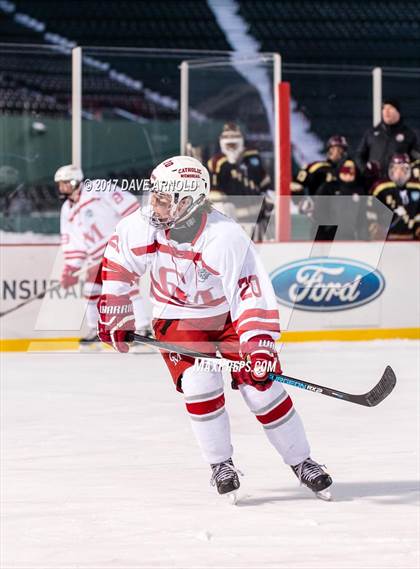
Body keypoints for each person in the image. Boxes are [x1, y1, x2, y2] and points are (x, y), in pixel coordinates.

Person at [97, 155, 333, 501]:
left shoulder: (224, 237)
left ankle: (302, 461)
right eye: (156, 195)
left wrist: (260, 344)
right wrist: (116, 310)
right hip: (177, 317)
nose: (155, 205)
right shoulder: (143, 226)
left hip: (227, 318)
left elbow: (249, 293)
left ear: (189, 201)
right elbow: (119, 262)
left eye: (165, 198)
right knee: (198, 382)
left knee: (261, 388)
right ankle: (220, 464)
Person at [54, 164, 151, 346]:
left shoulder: (97, 188)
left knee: (127, 286)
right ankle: (95, 329)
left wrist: (128, 235)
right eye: (59, 184)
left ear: (74, 181)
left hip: (116, 247)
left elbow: (129, 204)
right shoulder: (67, 209)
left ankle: (143, 326)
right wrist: (71, 267)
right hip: (95, 255)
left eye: (64, 183)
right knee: (90, 290)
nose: (61, 188)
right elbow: (72, 240)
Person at [207, 123, 274, 241]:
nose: (231, 146)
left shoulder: (252, 157)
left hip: (256, 216)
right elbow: (214, 194)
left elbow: (264, 185)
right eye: (227, 139)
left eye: (234, 141)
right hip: (233, 218)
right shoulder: (217, 162)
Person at [356, 99, 420, 187]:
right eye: (384, 108)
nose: (386, 111)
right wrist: (365, 170)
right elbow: (359, 155)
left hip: (397, 186)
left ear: (398, 112)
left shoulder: (409, 134)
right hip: (374, 183)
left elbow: (416, 158)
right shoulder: (371, 133)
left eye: (390, 108)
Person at [291, 135, 348, 215]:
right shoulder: (318, 167)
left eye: (342, 150)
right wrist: (302, 201)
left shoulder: (349, 171)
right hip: (321, 213)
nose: (339, 153)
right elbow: (295, 184)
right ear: (329, 150)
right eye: (336, 149)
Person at [368, 153, 420, 241]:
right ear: (391, 169)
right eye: (395, 168)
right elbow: (370, 208)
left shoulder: (416, 187)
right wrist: (373, 224)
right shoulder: (380, 188)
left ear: (408, 170)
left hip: (411, 239)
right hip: (386, 240)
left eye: (403, 169)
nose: (399, 172)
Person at [312, 159, 368, 241]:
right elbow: (319, 212)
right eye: (345, 172)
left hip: (350, 237)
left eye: (351, 173)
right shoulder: (328, 188)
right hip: (327, 237)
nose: (348, 176)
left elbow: (362, 216)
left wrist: (363, 235)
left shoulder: (359, 191)